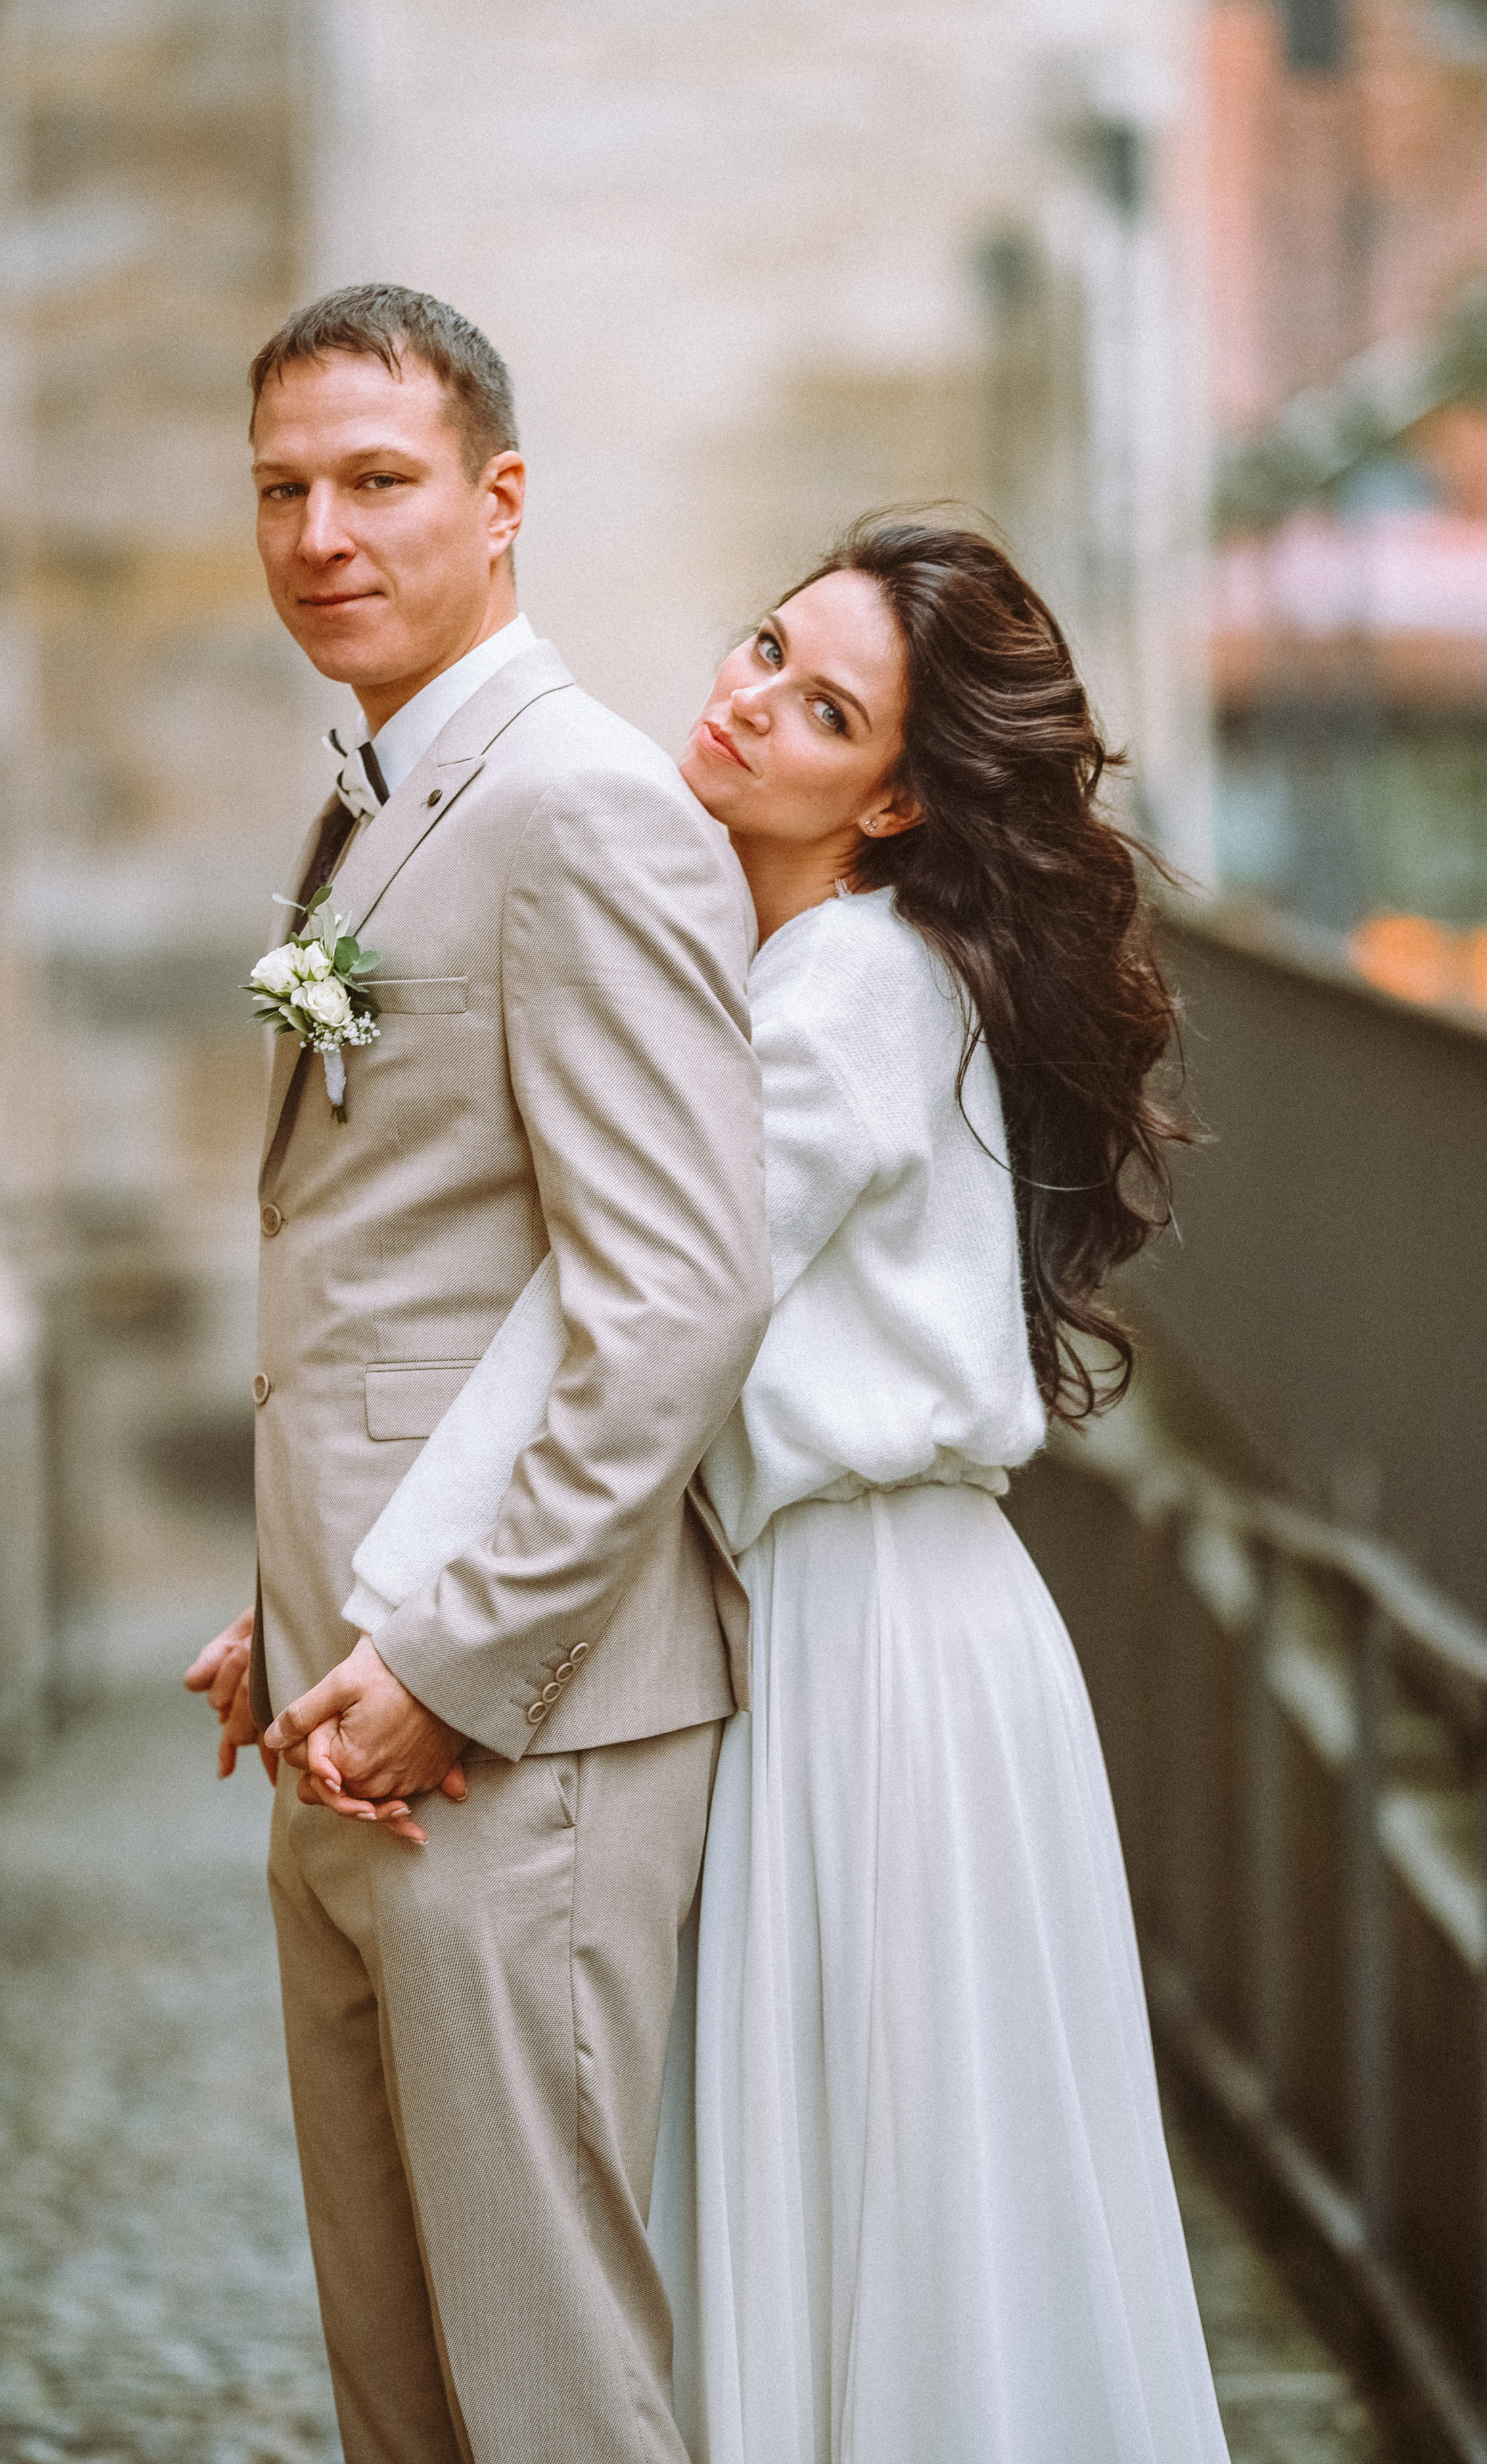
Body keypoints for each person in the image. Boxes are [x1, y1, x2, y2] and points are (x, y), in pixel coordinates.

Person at [373, 518, 1232, 2461]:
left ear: (903, 793)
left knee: (909, 2196)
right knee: (887, 2185)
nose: (746, 699)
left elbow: (627, 1318)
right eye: (765, 648)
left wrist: (404, 1611)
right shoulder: (804, 961)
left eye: (821, 704)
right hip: (863, 1625)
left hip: (882, 1647)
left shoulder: (850, 979)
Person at [186, 283, 771, 2464]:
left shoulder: (582, 807)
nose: (320, 532)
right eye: (282, 489)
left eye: (376, 481)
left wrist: (457, 1652)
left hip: (519, 1729)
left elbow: (677, 1292)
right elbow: (423, 1283)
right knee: (401, 2377)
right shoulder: (375, 788)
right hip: (357, 1697)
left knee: (543, 2381)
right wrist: (297, 1590)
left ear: (501, 499)